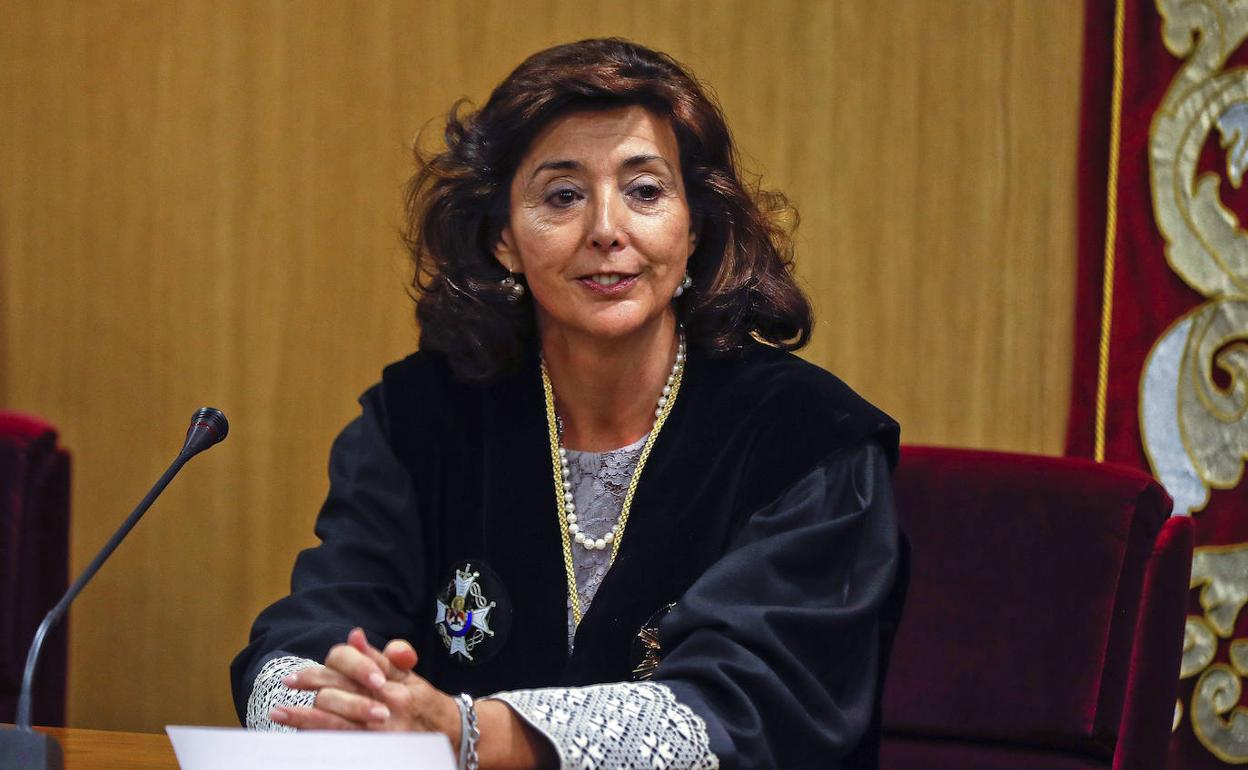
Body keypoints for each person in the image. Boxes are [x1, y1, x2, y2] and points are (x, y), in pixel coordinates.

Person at [230, 38, 902, 770]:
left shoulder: (809, 440)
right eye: (562, 196)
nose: (607, 230)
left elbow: (749, 710)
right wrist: (333, 710)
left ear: (694, 227)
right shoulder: (419, 418)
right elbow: (314, 627)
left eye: (645, 191)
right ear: (503, 239)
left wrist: (468, 734)